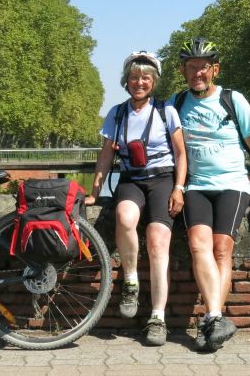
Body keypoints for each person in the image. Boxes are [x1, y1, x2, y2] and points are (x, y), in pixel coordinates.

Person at [171, 36, 250, 352]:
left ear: (214, 69)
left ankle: (210, 319)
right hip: (197, 186)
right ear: (183, 71)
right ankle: (215, 318)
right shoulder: (176, 103)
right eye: (191, 68)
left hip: (232, 184)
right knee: (196, 244)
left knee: (221, 248)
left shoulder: (234, 100)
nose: (197, 74)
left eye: (203, 67)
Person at [88, 51, 187, 346]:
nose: (139, 82)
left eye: (145, 77)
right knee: (124, 217)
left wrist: (179, 187)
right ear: (126, 80)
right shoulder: (116, 113)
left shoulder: (165, 111)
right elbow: (106, 155)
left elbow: (181, 153)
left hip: (162, 179)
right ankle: (130, 280)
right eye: (134, 77)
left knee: (157, 242)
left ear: (154, 80)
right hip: (131, 179)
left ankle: (157, 317)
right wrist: (95, 191)